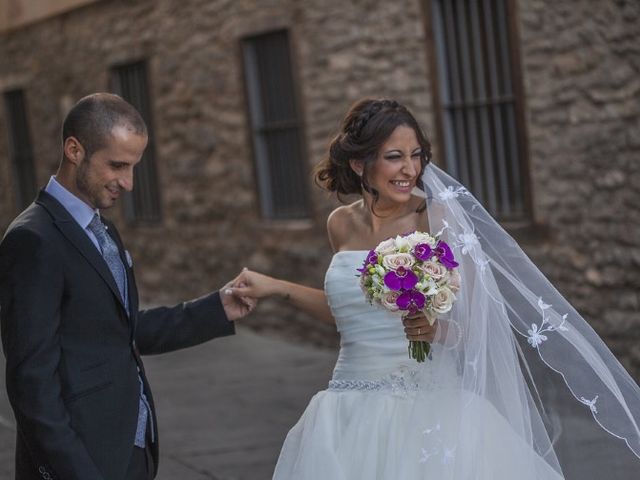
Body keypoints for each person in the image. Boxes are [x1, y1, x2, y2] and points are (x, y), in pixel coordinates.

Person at [230, 98, 640, 479]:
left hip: (428, 406)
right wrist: (277, 287)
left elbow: (480, 325)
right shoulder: (340, 223)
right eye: (395, 157)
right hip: (346, 406)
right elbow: (351, 311)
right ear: (359, 165)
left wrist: (437, 331)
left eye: (416, 156)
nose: (410, 169)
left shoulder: (437, 217)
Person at [0, 93, 254, 480]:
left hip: (129, 449)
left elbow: (119, 330)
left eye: (134, 166)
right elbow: (31, 386)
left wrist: (217, 308)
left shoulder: (103, 228)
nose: (129, 183)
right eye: (117, 165)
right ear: (74, 150)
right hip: (81, 460)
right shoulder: (33, 240)